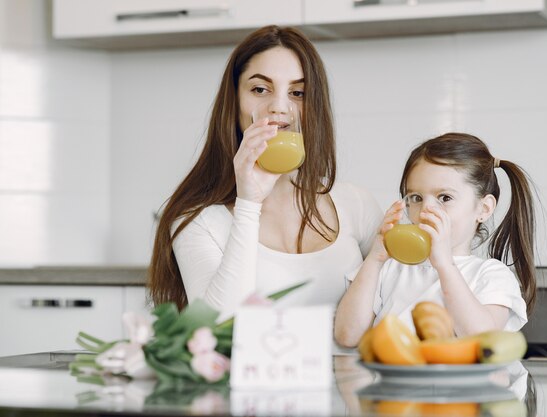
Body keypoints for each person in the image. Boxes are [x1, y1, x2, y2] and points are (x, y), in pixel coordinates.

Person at [147, 25, 382, 319]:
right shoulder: (199, 220)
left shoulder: (355, 204)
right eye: (260, 89)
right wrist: (249, 202)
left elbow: (401, 305)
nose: (279, 108)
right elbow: (219, 326)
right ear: (234, 102)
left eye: (298, 92)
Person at [335, 132, 537, 347]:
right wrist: (375, 259)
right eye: (416, 198)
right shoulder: (388, 269)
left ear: (483, 208)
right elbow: (348, 336)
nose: (425, 210)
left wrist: (444, 264)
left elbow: (483, 341)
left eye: (445, 198)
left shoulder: (491, 275)